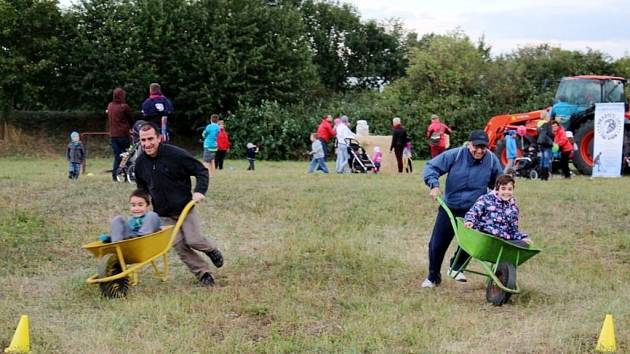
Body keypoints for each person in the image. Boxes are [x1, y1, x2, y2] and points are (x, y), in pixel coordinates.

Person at [134, 122, 223, 287]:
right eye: (143, 140)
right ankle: (204, 274)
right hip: (164, 215)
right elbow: (142, 189)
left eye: (150, 139)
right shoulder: (140, 164)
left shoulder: (176, 155)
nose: (147, 144)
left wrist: (199, 191)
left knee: (194, 240)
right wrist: (141, 206)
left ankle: (211, 250)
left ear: (159, 138)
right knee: (179, 246)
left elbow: (200, 170)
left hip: (185, 208)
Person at [421, 129, 503, 288]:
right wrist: (434, 185)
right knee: (436, 244)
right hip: (450, 206)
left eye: (483, 147)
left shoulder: (492, 160)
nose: (479, 151)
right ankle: (433, 277)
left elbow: (498, 182)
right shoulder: (455, 155)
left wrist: (502, 192)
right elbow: (431, 167)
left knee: (471, 242)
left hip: (474, 209)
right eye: (476, 146)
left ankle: (456, 267)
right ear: (469, 144)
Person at [463, 174, 532, 247]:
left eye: (509, 189)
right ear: (497, 189)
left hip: (502, 239)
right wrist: (469, 221)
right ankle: (503, 247)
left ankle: (508, 247)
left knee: (524, 244)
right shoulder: (486, 200)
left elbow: (512, 230)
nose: (506, 192)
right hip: (486, 234)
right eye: (503, 188)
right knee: (494, 239)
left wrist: (522, 238)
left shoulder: (513, 208)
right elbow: (473, 212)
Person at [106, 87, 133, 181]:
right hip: (123, 135)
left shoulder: (110, 106)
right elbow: (130, 119)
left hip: (113, 136)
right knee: (127, 155)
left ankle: (115, 175)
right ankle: (128, 174)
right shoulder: (124, 107)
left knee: (117, 156)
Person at [537, 112, 554, 180]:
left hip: (541, 143)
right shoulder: (547, 124)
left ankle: (541, 176)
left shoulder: (539, 123)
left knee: (542, 159)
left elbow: (538, 133)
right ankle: (545, 176)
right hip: (547, 144)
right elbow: (550, 134)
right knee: (547, 160)